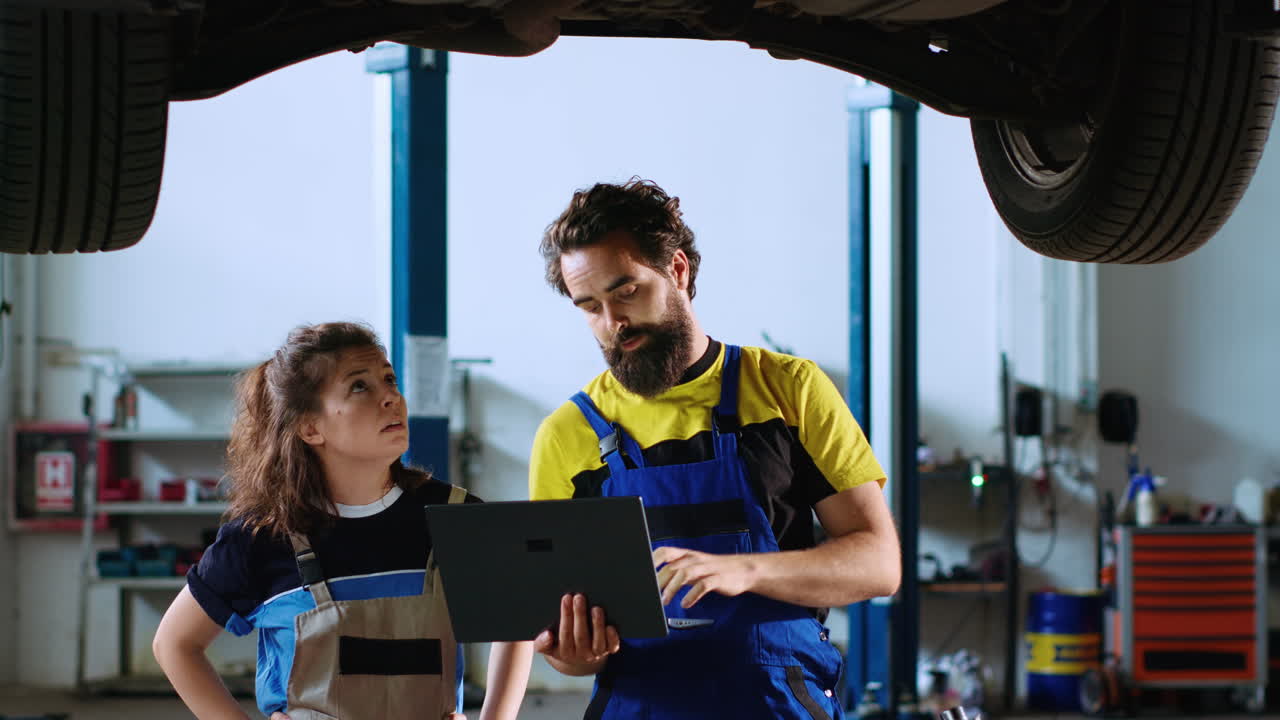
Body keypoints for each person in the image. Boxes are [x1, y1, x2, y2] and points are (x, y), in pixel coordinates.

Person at [528, 179, 901, 719]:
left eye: (626, 291)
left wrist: (746, 571)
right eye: (590, 306)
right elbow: (568, 647)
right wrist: (574, 654)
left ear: (677, 271)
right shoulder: (568, 434)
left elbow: (880, 564)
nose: (613, 324)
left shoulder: (787, 390)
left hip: (777, 705)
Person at [153, 322, 532, 720]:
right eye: (359, 386)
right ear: (309, 427)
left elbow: (517, 620)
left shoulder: (457, 517)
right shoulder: (261, 537)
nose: (391, 397)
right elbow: (174, 644)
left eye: (389, 379)